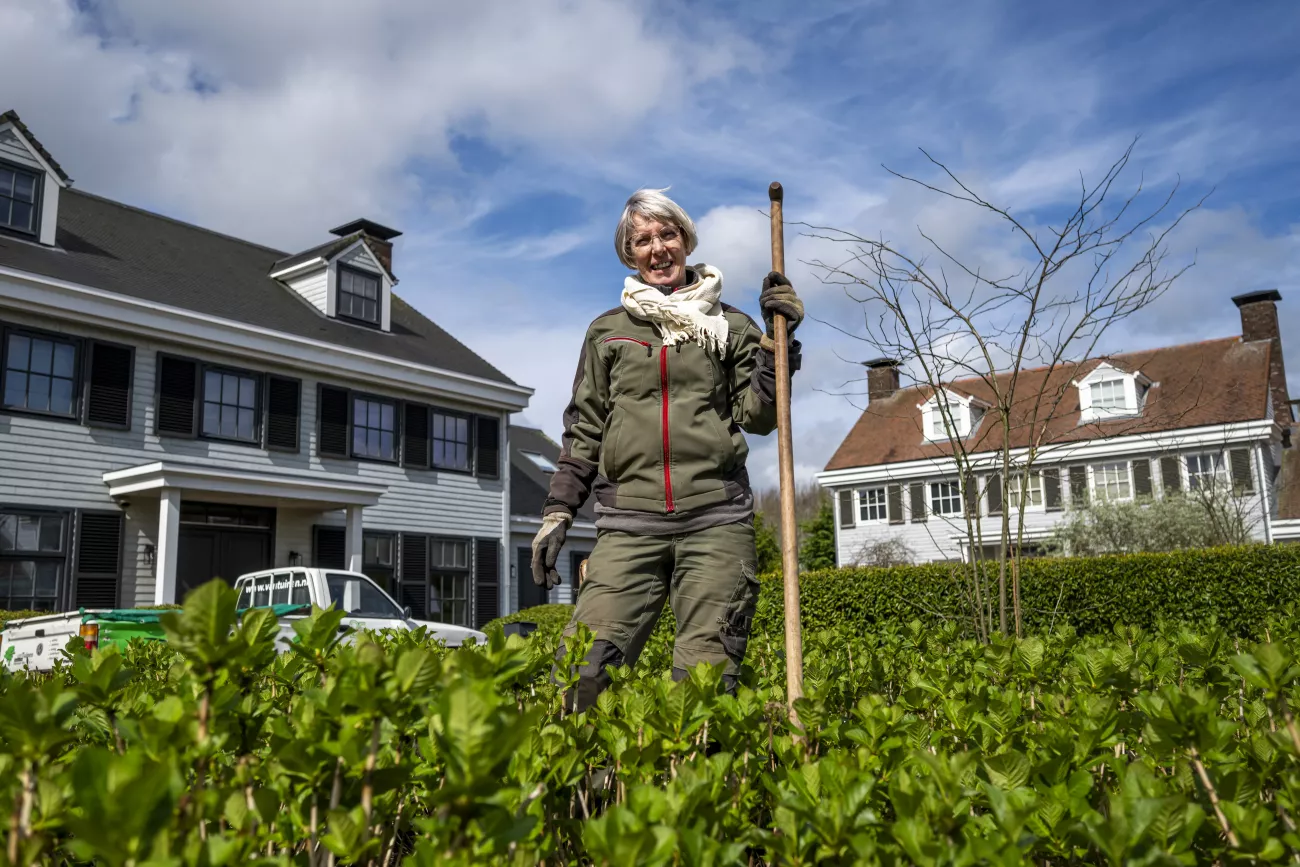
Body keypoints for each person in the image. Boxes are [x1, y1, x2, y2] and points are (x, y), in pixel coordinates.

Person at [531, 188, 803, 712]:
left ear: (686, 241)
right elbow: (585, 427)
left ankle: (698, 791)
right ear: (628, 254)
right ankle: (586, 795)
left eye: (667, 234)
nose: (658, 248)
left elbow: (762, 416)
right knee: (582, 676)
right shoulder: (608, 333)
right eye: (643, 240)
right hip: (629, 523)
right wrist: (559, 509)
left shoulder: (733, 326)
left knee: (703, 688)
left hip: (716, 521)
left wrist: (779, 346)